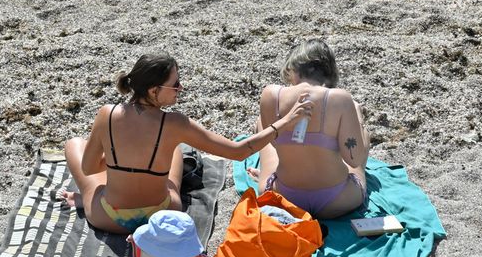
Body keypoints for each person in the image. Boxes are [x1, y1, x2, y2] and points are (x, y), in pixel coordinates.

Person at [59, 51, 312, 234]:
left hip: (109, 219)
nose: (181, 88)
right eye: (175, 84)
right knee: (174, 150)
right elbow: (238, 152)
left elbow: (90, 168)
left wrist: (121, 160)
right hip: (162, 215)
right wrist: (285, 122)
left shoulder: (107, 114)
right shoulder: (175, 124)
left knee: (74, 144)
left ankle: (84, 199)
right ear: (153, 91)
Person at [249, 39, 371, 219]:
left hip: (284, 197)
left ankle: (269, 174)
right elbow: (354, 159)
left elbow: (273, 144)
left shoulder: (271, 94)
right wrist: (358, 117)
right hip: (337, 201)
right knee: (360, 140)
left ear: (293, 68)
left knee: (263, 126)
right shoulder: (341, 99)